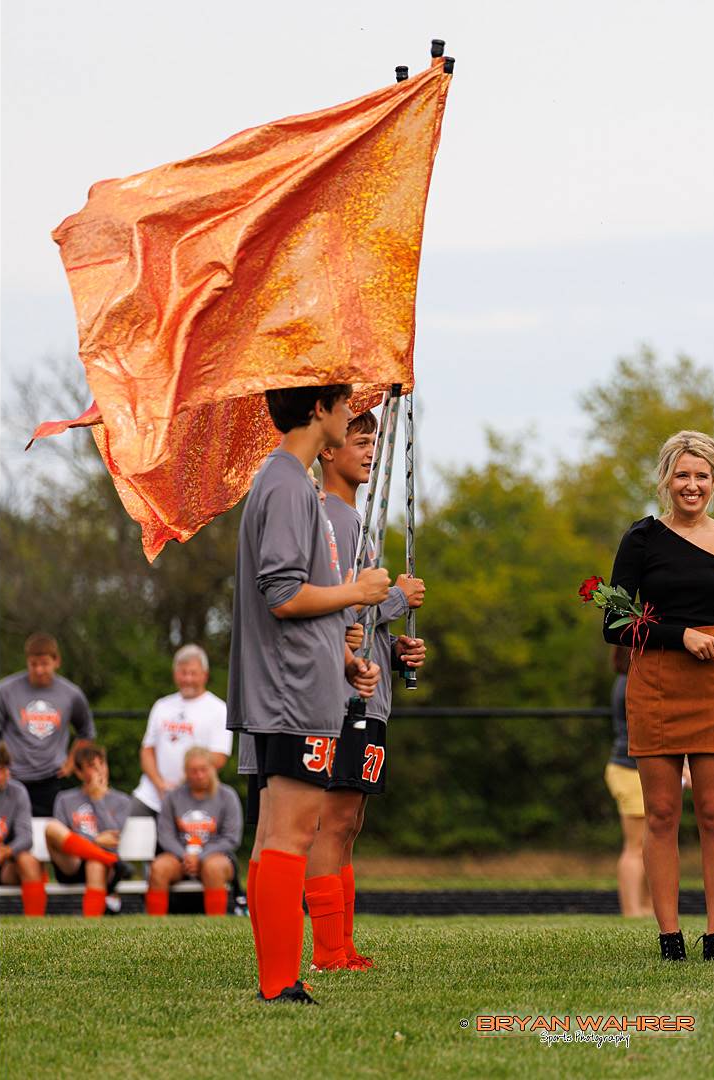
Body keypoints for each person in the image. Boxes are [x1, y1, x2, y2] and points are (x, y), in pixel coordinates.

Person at [229, 382, 388, 1004]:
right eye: (346, 406)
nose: (352, 417)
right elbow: (284, 593)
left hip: (301, 679)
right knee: (292, 834)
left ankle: (279, 977)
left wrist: (346, 658)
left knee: (275, 833)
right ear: (319, 411)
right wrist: (362, 592)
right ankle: (280, 983)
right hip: (291, 690)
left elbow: (302, 598)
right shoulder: (290, 482)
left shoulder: (285, 479)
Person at [603, 431, 714, 961]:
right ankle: (669, 936)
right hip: (655, 682)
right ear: (666, 479)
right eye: (682, 475)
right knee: (661, 815)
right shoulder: (641, 539)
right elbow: (615, 621)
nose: (692, 485)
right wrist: (680, 635)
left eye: (702, 476)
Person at [315, 408, 428, 969]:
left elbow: (361, 626)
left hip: (371, 695)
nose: (369, 452)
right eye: (359, 442)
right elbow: (328, 610)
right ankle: (327, 949)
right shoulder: (330, 518)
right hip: (339, 699)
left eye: (374, 443)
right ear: (327, 450)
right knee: (332, 820)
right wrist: (399, 599)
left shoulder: (357, 523)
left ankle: (344, 942)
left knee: (350, 821)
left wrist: (396, 645)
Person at [0, 632, 96, 817]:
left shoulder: (72, 694)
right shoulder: (5, 691)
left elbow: (87, 732)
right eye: (33, 664)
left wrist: (70, 763)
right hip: (13, 778)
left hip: (51, 779)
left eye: (44, 664)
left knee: (49, 835)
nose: (39, 670)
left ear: (56, 661)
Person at [146, 746, 245, 916]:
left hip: (216, 855)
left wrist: (201, 856)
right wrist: (185, 855)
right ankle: (153, 927)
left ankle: (216, 927)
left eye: (203, 770)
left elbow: (231, 838)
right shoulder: (173, 797)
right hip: (180, 857)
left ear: (212, 769)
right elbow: (166, 835)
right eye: (193, 771)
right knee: (158, 867)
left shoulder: (227, 796)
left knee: (213, 867)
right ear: (185, 772)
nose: (199, 775)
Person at [133, 644, 232, 815]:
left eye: (193, 673)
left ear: (205, 675)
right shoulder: (162, 705)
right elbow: (147, 750)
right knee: (131, 837)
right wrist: (160, 784)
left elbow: (218, 758)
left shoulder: (219, 709)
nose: (187, 679)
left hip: (193, 800)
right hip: (150, 797)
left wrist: (180, 787)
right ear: (175, 674)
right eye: (183, 672)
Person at [45, 743, 135, 919]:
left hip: (102, 864)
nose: (100, 771)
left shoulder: (121, 800)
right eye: (92, 767)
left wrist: (97, 798)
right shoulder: (65, 799)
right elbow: (62, 837)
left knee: (95, 863)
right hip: (72, 862)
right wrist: (94, 840)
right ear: (79, 773)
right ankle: (113, 862)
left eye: (102, 764)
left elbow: (112, 835)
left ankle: (91, 923)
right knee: (51, 827)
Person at [605, 648, 652, 917]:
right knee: (635, 846)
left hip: (628, 769)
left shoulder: (625, 680)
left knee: (647, 843)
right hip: (628, 770)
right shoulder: (630, 684)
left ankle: (646, 906)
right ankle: (632, 909)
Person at [0, 742, 45, 916]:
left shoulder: (17, 792)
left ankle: (36, 926)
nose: (4, 774)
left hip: (6, 866)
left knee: (27, 860)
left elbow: (26, 837)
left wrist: (6, 851)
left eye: (4, 769)